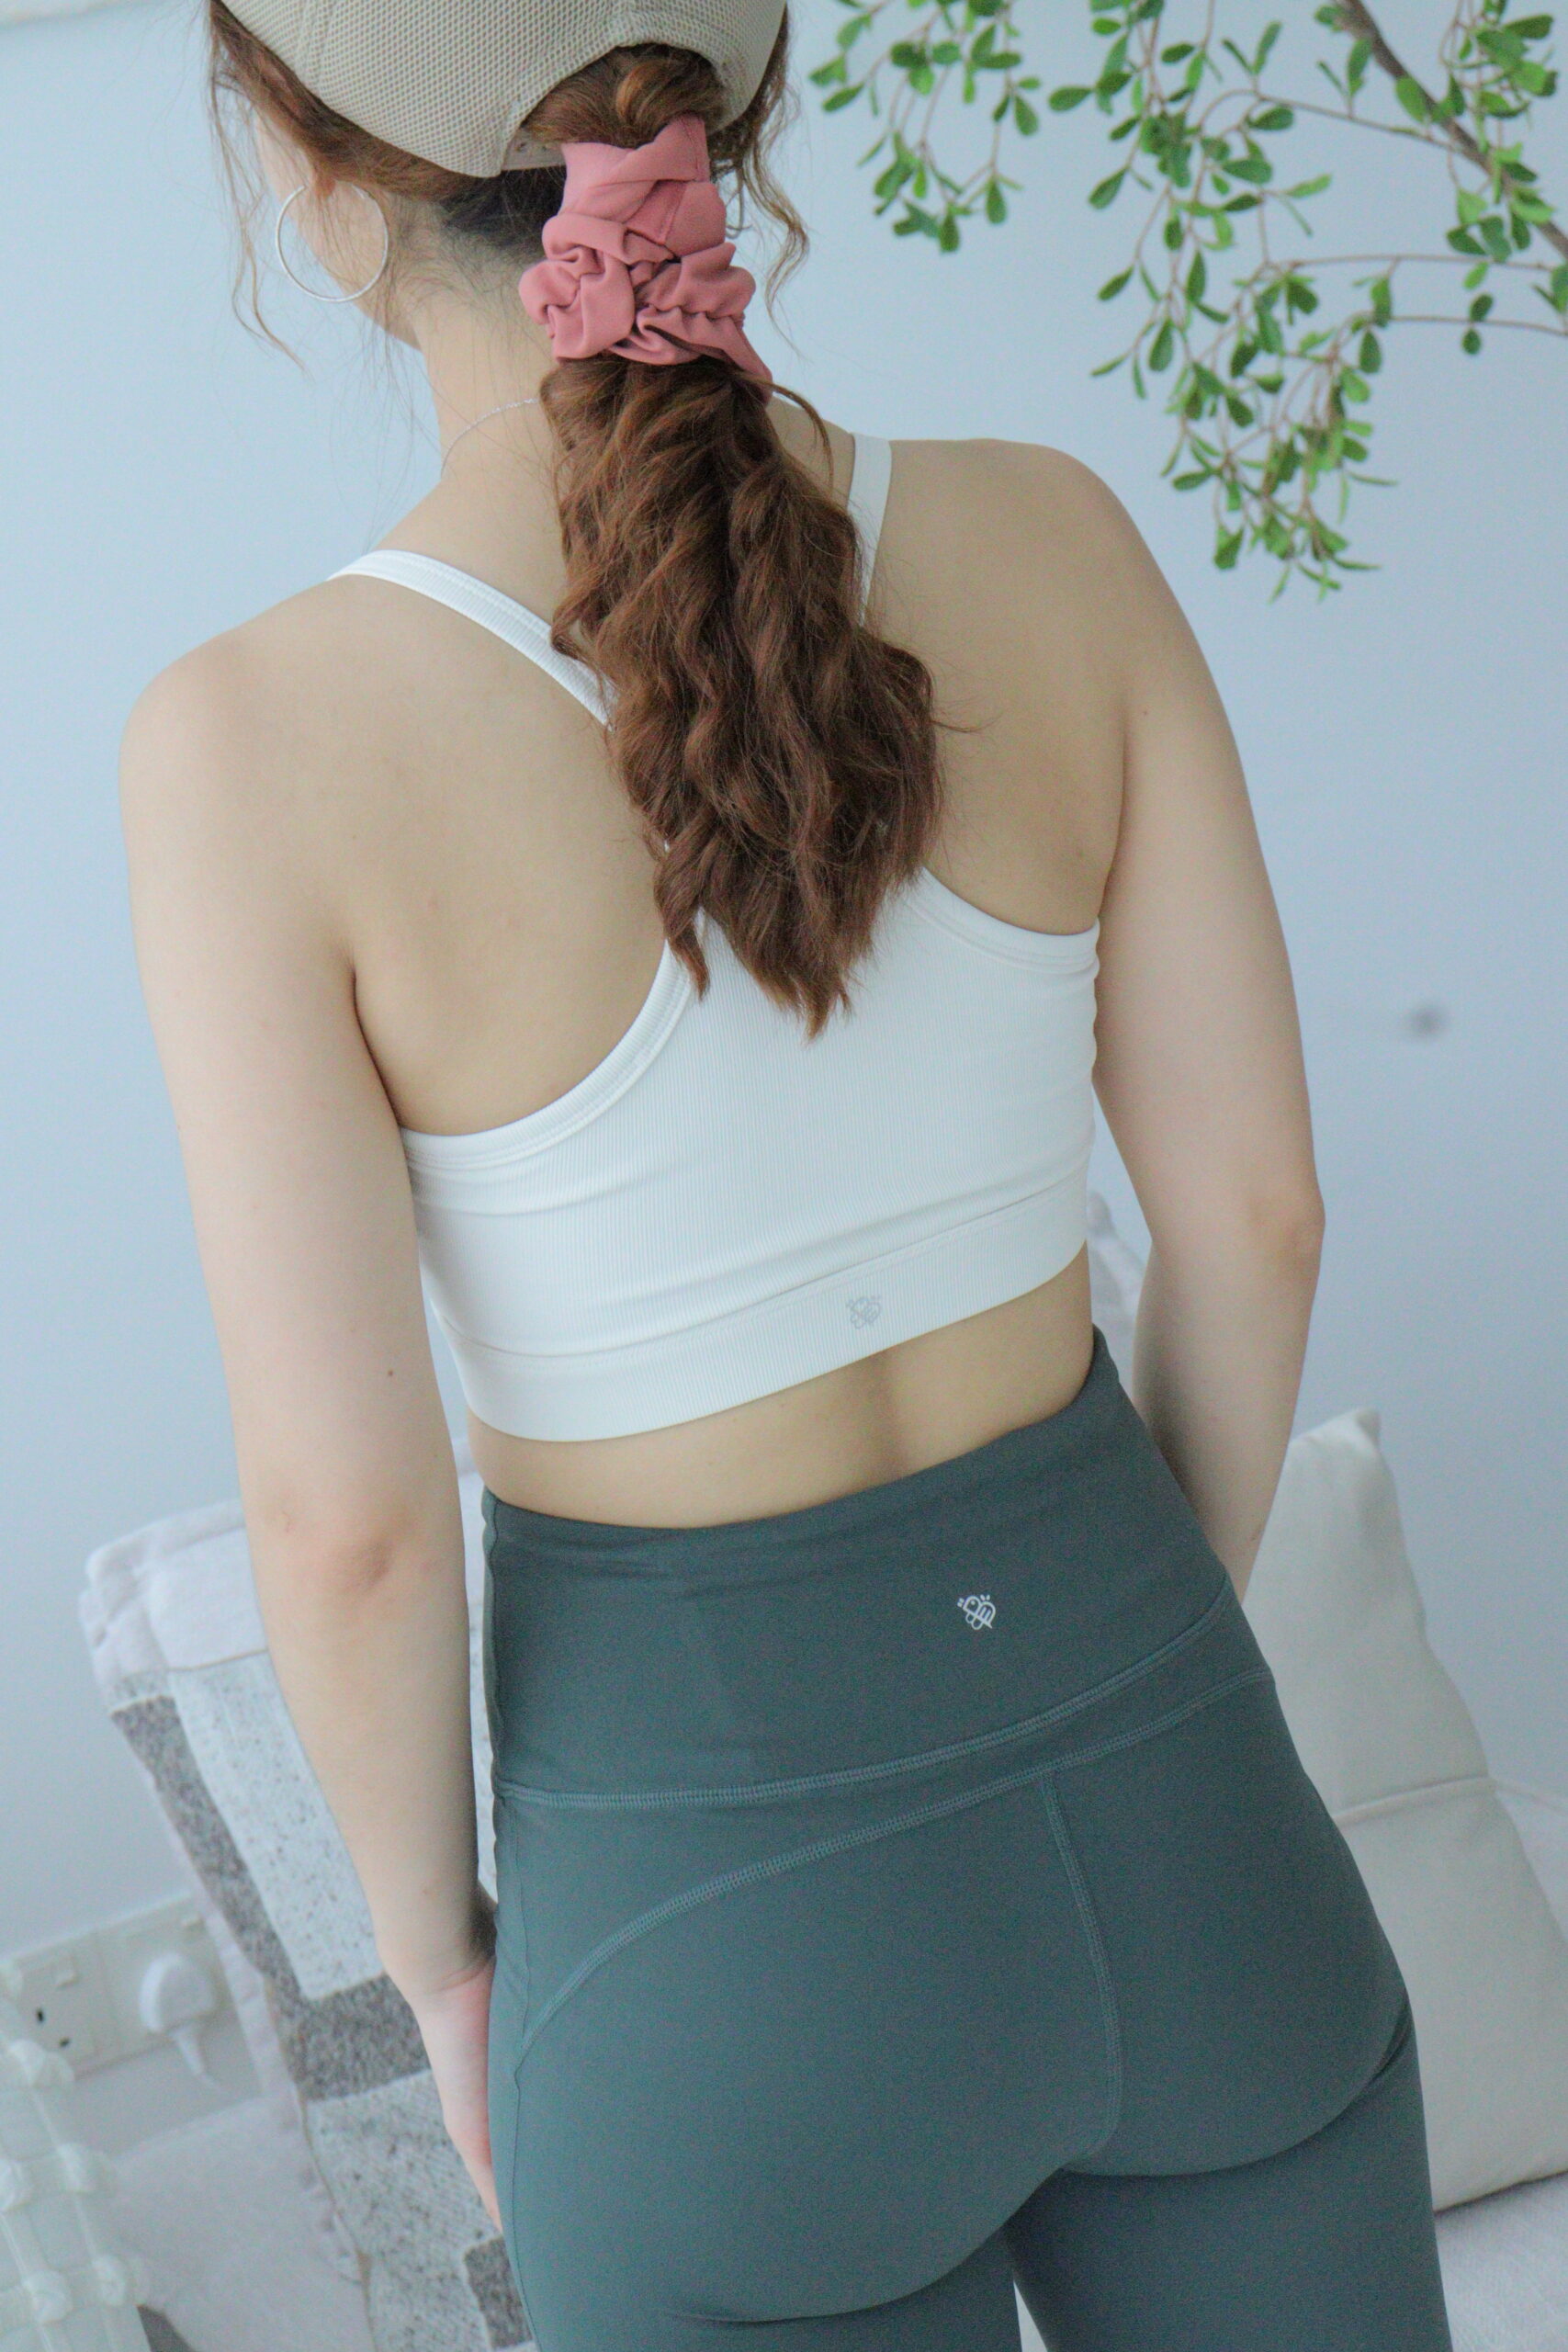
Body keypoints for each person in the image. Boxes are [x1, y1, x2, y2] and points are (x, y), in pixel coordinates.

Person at [118, 2, 1455, 2345]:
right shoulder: (1050, 534)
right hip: (1192, 1827)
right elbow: (1256, 1216)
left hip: (706, 1955)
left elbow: (349, 1526)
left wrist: (447, 1980)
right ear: (726, 114)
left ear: (312, 180)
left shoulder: (252, 744)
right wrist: (1128, 1678)